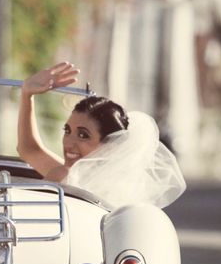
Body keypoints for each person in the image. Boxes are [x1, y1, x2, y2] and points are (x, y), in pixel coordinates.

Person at [18, 61, 185, 209]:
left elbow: (28, 151)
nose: (69, 142)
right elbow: (30, 150)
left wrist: (27, 94)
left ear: (109, 145)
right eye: (67, 131)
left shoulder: (64, 176)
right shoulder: (125, 187)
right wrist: (27, 95)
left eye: (83, 135)